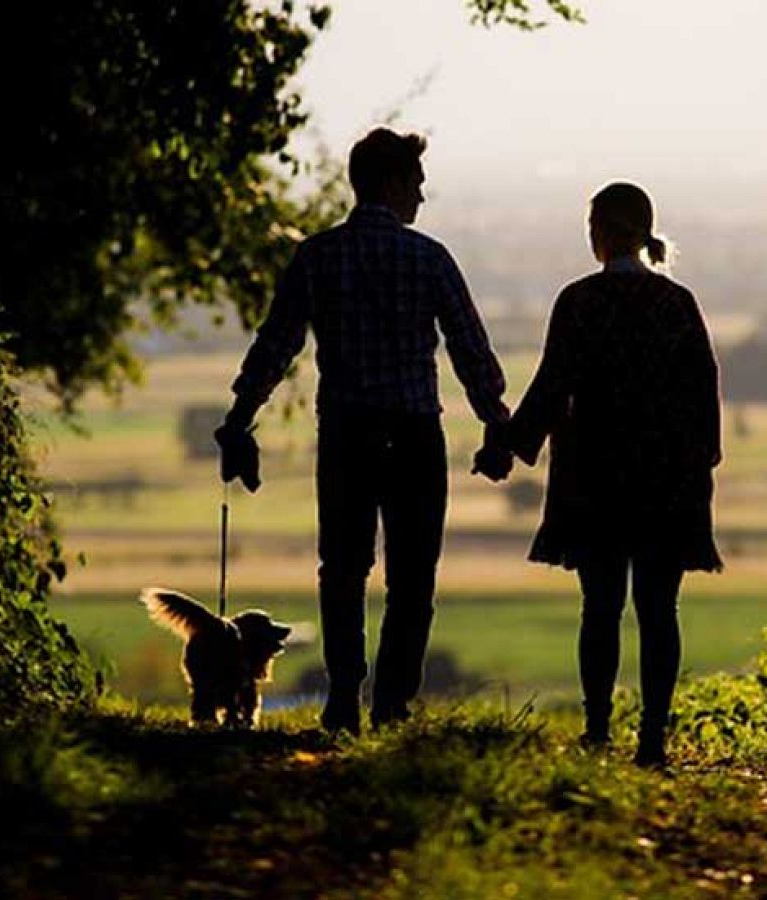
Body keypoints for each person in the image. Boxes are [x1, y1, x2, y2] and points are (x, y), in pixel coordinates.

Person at [216, 127, 512, 733]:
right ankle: (393, 702)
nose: (422, 199)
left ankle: (344, 696)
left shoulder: (316, 256)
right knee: (412, 574)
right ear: (394, 182)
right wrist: (497, 422)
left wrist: (240, 418)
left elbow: (276, 346)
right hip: (414, 434)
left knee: (344, 568)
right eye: (418, 184)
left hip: (347, 432)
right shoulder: (430, 258)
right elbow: (470, 352)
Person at [490, 181, 721, 767]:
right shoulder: (677, 303)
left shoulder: (579, 302)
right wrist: (701, 462)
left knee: (601, 608)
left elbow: (550, 386)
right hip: (666, 482)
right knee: (658, 611)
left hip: (593, 481)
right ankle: (653, 739)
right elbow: (703, 392)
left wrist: (507, 448)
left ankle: (597, 731)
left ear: (599, 234)